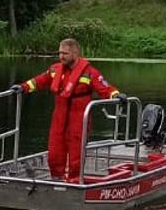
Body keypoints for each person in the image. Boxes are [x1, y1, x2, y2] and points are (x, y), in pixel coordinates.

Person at [13, 38, 123, 182]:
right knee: (54, 151)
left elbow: (104, 88)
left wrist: (116, 95)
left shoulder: (89, 72)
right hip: (60, 113)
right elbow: (39, 81)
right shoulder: (55, 70)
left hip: (79, 115)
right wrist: (23, 87)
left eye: (65, 53)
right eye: (60, 53)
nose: (61, 57)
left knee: (76, 153)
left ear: (75, 53)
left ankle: (74, 181)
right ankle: (56, 180)